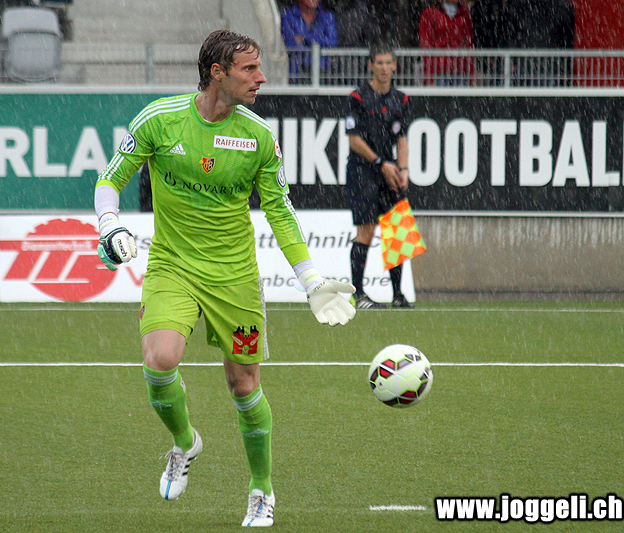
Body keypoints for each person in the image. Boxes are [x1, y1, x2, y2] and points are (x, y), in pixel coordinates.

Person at [93, 29, 355, 527]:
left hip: (235, 277)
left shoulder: (258, 137)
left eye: (259, 68)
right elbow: (110, 179)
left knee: (243, 386)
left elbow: (280, 211)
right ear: (217, 73)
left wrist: (312, 280)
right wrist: (110, 225)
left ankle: (261, 490)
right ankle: (185, 442)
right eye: (249, 69)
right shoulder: (160, 119)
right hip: (173, 265)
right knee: (160, 360)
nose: (261, 77)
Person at [344, 45, 413, 309]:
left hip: (389, 170)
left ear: (395, 65)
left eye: (388, 63)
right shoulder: (357, 98)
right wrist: (379, 162)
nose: (384, 68)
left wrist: (403, 169)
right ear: (370, 65)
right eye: (379, 63)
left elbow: (402, 138)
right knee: (366, 230)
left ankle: (398, 295)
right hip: (363, 170)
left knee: (397, 229)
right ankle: (359, 295)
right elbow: (354, 140)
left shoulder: (401, 99)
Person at [500, 0, 574, 86]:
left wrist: (513, 60)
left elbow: (511, 35)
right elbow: (566, 41)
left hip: (527, 62)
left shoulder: (518, 7)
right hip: (549, 63)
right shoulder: (562, 8)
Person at [418, 0, 475, 86]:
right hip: (439, 71)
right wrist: (430, 77)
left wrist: (471, 74)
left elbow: (469, 45)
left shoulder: (465, 14)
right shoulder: (430, 14)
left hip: (460, 70)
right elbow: (426, 45)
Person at [281, 0, 338, 83]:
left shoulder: (327, 16)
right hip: (296, 72)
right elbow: (288, 43)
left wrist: (305, 38)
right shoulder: (287, 15)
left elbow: (332, 42)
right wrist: (316, 45)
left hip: (322, 72)